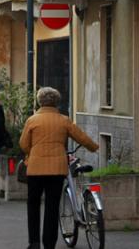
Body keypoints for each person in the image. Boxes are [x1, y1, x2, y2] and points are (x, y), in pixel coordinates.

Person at [20, 87, 98, 249]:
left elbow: (23, 144)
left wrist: (32, 153)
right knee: (52, 206)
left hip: (35, 169)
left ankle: (33, 242)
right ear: (56, 102)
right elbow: (81, 137)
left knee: (33, 204)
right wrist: (94, 147)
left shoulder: (32, 120)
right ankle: (49, 244)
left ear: (39, 101)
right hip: (56, 170)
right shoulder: (64, 120)